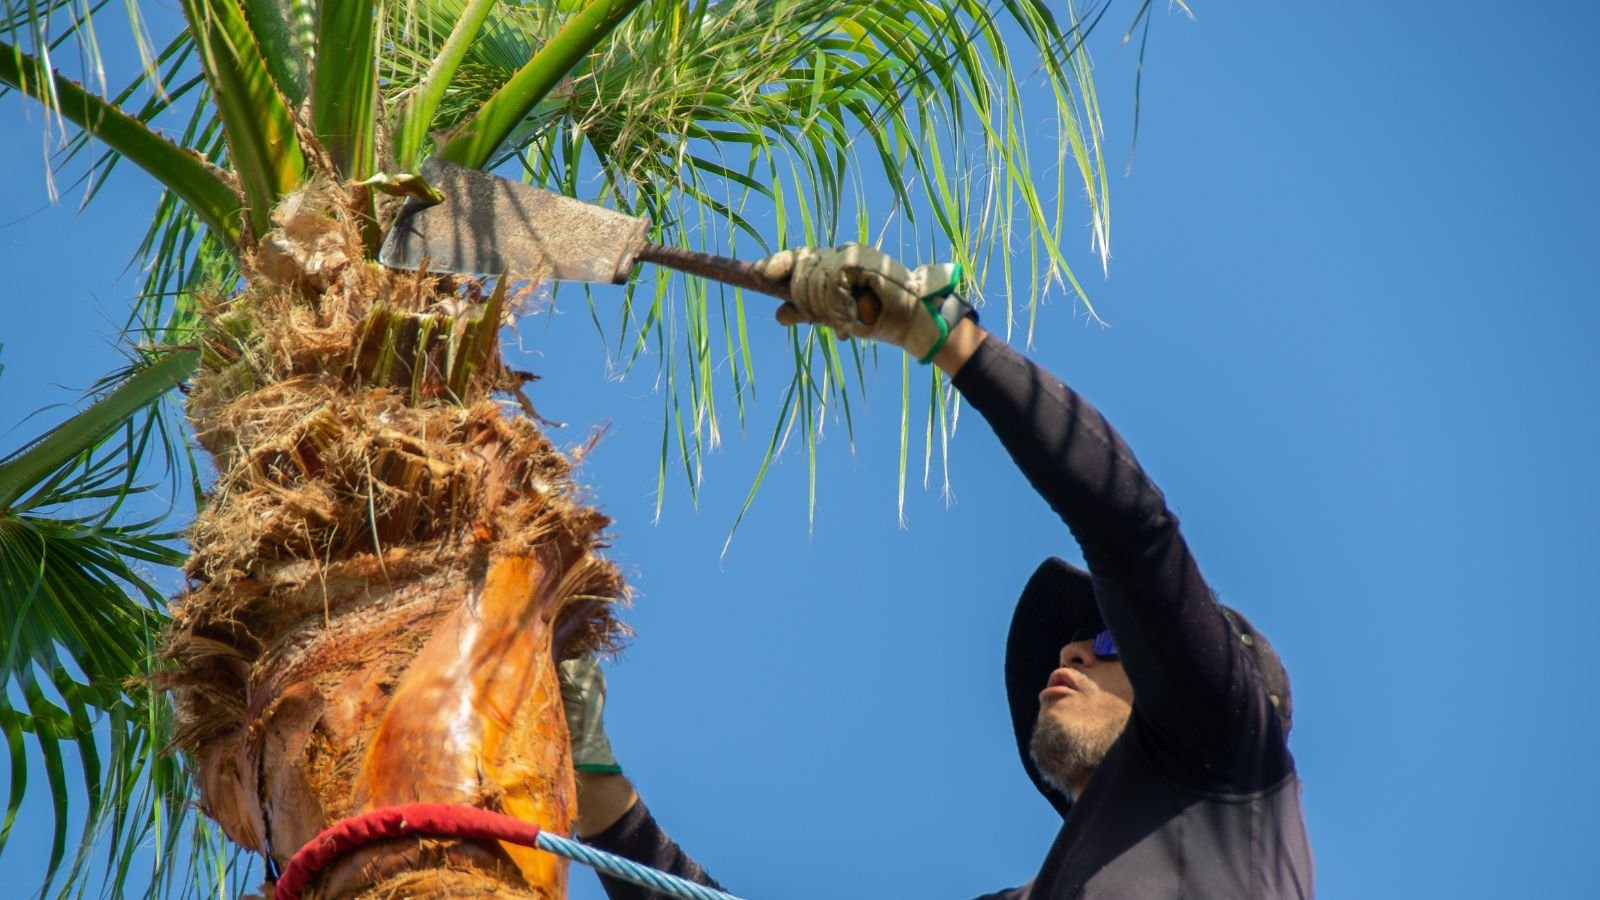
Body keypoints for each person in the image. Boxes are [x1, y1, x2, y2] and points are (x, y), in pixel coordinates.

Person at [557, 245, 1315, 898]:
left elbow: (1131, 531)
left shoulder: (1225, 746)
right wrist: (600, 798)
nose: (1072, 651)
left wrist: (947, 336)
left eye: (1113, 642)